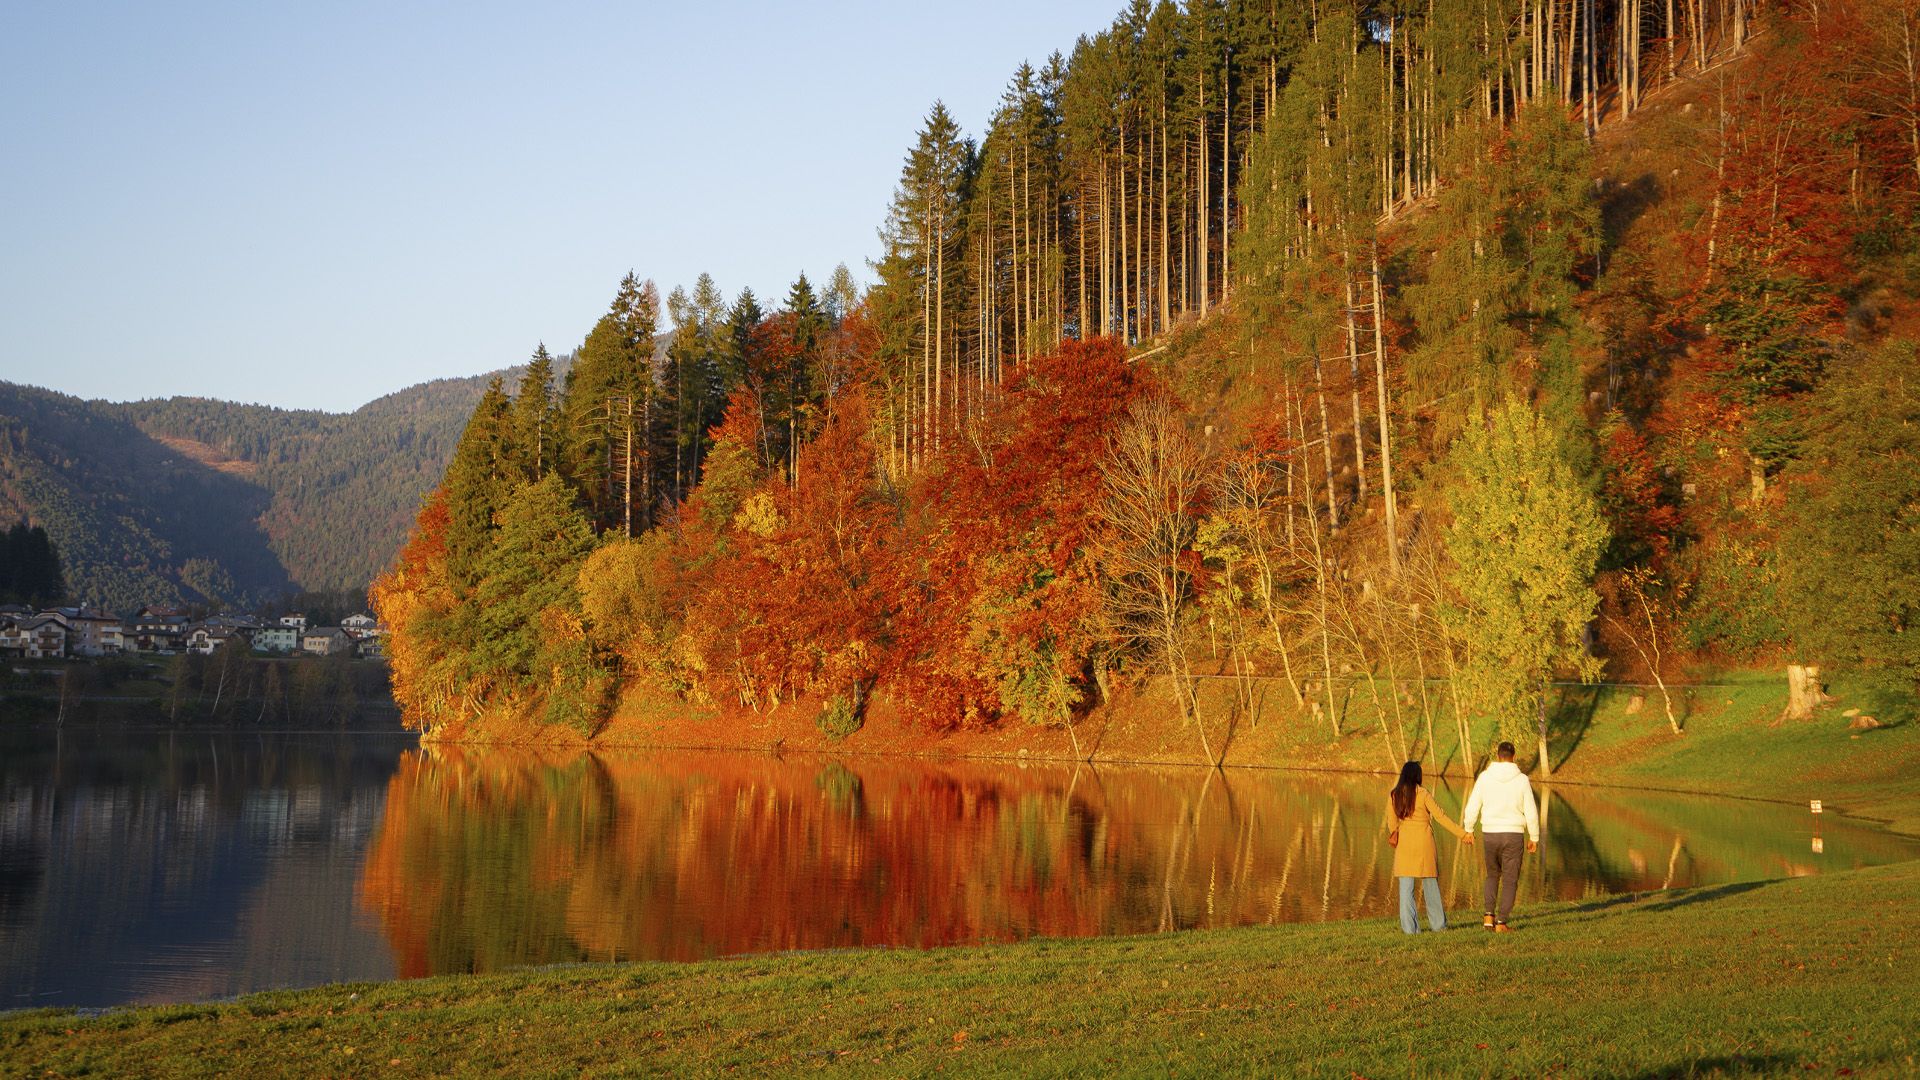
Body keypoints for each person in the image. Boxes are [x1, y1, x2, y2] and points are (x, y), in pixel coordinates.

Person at [1460, 741, 1541, 933]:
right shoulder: (1521, 780)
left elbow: (1473, 805)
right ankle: (1502, 922)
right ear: (1513, 756)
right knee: (1510, 879)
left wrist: (1469, 828)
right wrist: (1534, 836)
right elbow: (1530, 809)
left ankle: (1488, 916)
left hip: (1490, 833)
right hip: (1513, 834)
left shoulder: (1485, 777)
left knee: (1492, 875)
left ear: (1498, 756)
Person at [1384, 760, 1470, 934]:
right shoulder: (1423, 794)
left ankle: (1410, 929)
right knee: (1431, 886)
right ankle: (1438, 926)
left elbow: (1392, 824)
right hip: (1424, 844)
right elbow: (1441, 817)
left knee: (1406, 890)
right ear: (1417, 776)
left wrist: (1399, 831)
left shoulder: (1394, 795)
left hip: (1405, 846)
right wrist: (1463, 834)